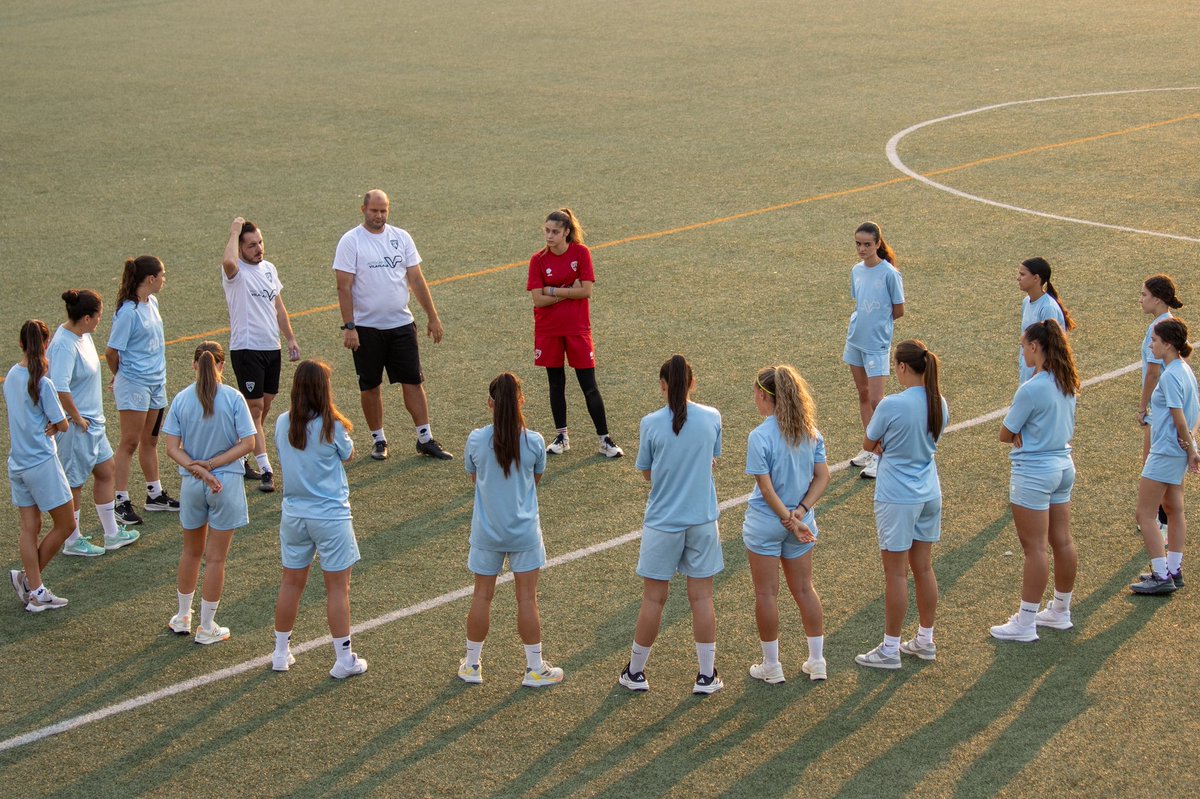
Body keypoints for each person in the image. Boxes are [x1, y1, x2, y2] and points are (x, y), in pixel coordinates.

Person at [619, 355, 724, 695]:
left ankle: (635, 672)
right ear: (692, 384)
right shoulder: (712, 418)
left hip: (663, 523)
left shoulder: (650, 423)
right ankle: (706, 677)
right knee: (702, 598)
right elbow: (712, 460)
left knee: (653, 600)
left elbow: (648, 472)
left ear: (663, 387)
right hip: (702, 521)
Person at [458, 373, 563, 688]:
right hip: (524, 534)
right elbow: (535, 480)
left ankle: (472, 665)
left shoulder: (476, 439)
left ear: (490, 403)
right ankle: (534, 669)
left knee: (481, 595)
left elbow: (475, 478)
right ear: (521, 401)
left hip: (487, 533)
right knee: (527, 599)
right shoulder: (533, 441)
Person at [333, 189, 452, 462]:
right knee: (370, 385)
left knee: (413, 381)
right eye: (374, 210)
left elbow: (417, 279)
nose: (379, 215)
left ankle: (425, 438)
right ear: (363, 209)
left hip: (401, 324)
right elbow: (343, 286)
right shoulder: (351, 241)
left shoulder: (401, 238)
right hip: (366, 329)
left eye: (383, 210)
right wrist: (349, 326)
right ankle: (379, 440)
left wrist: (432, 317)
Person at [270, 359, 367, 679]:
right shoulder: (333, 426)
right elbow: (348, 454)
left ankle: (281, 653)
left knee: (290, 583)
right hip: (331, 517)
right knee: (338, 589)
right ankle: (343, 659)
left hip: (294, 516)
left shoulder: (283, 423)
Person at [855, 340, 947, 670]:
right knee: (923, 568)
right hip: (929, 493)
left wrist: (886, 446)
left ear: (903, 367)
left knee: (896, 574)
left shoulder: (892, 405)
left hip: (897, 497)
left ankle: (890, 649)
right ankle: (925, 640)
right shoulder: (940, 402)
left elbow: (869, 442)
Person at [990, 320, 1080, 641]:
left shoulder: (1031, 388)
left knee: (1035, 549)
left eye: (1023, 345)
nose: (1022, 351)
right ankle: (1060, 611)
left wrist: (1018, 433)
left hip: (1033, 473)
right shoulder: (1067, 381)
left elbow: (1005, 433)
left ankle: (1025, 623)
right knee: (1063, 541)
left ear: (1035, 347)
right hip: (1062, 467)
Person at [161, 342, 256, 644]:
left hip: (191, 484)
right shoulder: (233, 397)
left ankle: (182, 617)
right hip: (225, 484)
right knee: (215, 560)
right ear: (221, 366)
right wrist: (213, 466)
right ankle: (206, 627)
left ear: (193, 365)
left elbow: (172, 449)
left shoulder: (181, 399)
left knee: (191, 552)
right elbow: (249, 443)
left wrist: (198, 469)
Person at [743, 365, 830, 683]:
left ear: (767, 397)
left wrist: (788, 520)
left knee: (766, 594)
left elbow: (765, 489)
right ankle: (817, 661)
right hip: (802, 522)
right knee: (805, 590)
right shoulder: (811, 432)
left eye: (755, 392)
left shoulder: (759, 436)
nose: (753, 398)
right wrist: (800, 514)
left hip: (767, 524)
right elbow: (823, 477)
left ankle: (772, 667)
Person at [526, 208, 623, 459]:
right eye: (546, 230)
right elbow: (538, 299)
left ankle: (604, 439)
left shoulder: (581, 253)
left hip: (578, 329)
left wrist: (553, 291)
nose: (549, 236)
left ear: (566, 232)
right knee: (556, 384)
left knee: (589, 386)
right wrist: (568, 289)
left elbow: (586, 291)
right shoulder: (537, 260)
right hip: (548, 330)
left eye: (554, 231)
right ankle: (562, 437)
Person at [49, 290, 139, 556]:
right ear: (86, 318)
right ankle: (72, 540)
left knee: (106, 471)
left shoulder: (82, 335)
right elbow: (59, 387)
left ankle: (111, 534)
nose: (101, 320)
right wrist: (76, 418)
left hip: (94, 424)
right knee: (74, 483)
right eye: (98, 316)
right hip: (79, 426)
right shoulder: (65, 344)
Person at [221, 217, 301, 494]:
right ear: (240, 247)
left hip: (272, 348)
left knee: (263, 408)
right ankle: (266, 469)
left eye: (260, 243)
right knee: (254, 409)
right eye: (251, 245)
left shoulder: (268, 269)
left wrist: (289, 338)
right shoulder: (235, 272)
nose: (258, 249)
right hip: (246, 349)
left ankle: (241, 454)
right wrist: (233, 231)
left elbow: (278, 306)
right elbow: (228, 262)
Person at [5, 321, 74, 612]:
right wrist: (54, 425)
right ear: (45, 345)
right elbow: (62, 424)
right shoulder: (42, 383)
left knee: (29, 527)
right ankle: (31, 584)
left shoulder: (11, 375)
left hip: (17, 464)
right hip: (41, 463)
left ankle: (34, 589)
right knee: (67, 523)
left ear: (21, 344)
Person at [106, 255, 179, 525]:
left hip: (156, 382)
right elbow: (111, 352)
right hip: (135, 384)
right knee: (129, 442)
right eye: (163, 275)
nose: (164, 279)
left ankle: (154, 494)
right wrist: (120, 376)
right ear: (151, 279)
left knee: (151, 441)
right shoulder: (129, 312)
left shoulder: (153, 302)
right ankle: (120, 501)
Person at [1129, 318, 1199, 595]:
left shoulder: (1169, 375)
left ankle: (1160, 575)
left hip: (1165, 451)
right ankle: (1173, 569)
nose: (1150, 344)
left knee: (1144, 514)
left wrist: (1191, 449)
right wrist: (1191, 448)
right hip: (1177, 452)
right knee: (1174, 509)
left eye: (1154, 341)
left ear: (1168, 344)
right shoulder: (1185, 370)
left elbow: (1178, 417)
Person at [844, 222, 905, 480]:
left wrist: (879, 327)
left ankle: (882, 454)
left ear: (878, 244)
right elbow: (859, 302)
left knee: (877, 401)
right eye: (858, 244)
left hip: (877, 344)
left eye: (867, 244)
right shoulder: (856, 271)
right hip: (855, 340)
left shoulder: (889, 274)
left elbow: (898, 309)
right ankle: (869, 449)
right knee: (863, 394)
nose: (862, 249)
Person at [1137, 275, 1183, 535]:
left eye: (1144, 294)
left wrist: (1142, 408)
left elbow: (1153, 373)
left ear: (1157, 299)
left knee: (1154, 465)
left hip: (1162, 407)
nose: (1141, 299)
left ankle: (1160, 523)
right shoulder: (1172, 324)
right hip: (1169, 404)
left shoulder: (1157, 328)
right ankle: (1163, 521)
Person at [1016, 257, 1074, 385]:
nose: (1018, 278)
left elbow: (1049, 348)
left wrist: (1035, 379)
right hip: (1029, 375)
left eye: (1022, 274)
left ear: (1036, 278)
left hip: (1041, 379)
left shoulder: (1048, 308)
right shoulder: (1026, 302)